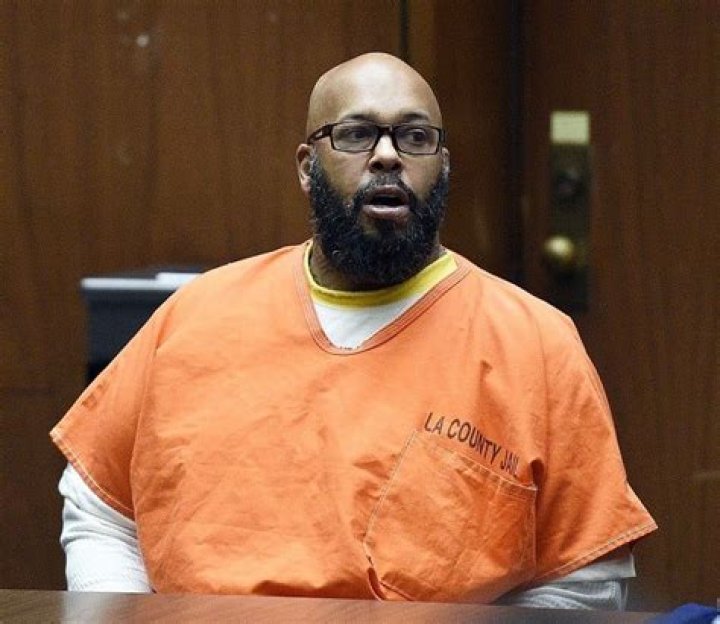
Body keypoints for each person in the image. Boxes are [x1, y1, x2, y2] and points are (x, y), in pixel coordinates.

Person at [51, 52, 657, 608]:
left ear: (443, 166)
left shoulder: (536, 344)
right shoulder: (197, 315)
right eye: (357, 134)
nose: (388, 155)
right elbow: (101, 510)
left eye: (415, 137)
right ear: (307, 167)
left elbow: (584, 578)